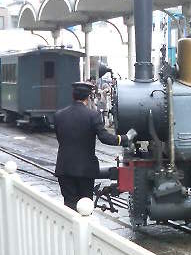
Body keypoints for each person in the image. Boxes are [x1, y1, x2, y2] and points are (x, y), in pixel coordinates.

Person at [54, 82, 135, 211]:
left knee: (68, 206)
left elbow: (60, 138)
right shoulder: (93, 115)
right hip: (85, 170)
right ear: (88, 97)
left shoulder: (59, 115)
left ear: (73, 95)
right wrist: (125, 138)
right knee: (85, 205)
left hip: (64, 168)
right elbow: (105, 138)